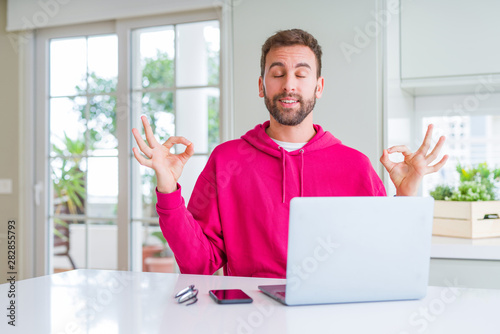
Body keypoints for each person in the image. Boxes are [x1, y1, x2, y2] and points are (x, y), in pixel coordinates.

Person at [132, 29, 448, 278]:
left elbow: (386, 255)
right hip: (249, 316)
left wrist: (407, 194)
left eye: (301, 74)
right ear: (261, 85)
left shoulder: (355, 166)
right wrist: (167, 186)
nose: (289, 85)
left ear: (318, 86)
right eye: (278, 73)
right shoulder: (227, 161)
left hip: (332, 316)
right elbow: (199, 263)